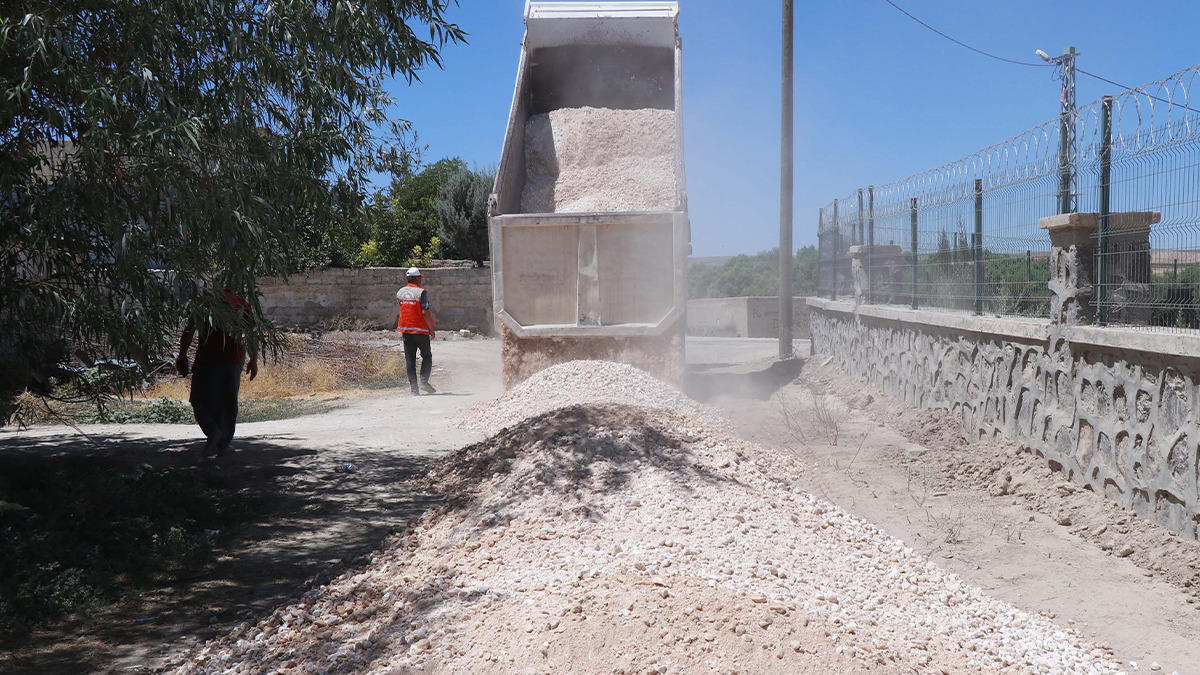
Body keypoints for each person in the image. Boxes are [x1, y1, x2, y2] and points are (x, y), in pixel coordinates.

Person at [176, 287, 258, 458]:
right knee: (228, 404)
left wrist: (182, 353)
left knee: (200, 400)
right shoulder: (240, 304)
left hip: (206, 361)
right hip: (232, 361)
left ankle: (213, 432)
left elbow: (189, 329)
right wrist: (254, 360)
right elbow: (252, 334)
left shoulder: (205, 303)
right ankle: (223, 445)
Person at [396, 267, 436, 395]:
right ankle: (423, 381)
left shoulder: (400, 292)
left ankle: (414, 390)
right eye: (420, 277)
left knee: (410, 360)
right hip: (420, 330)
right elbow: (425, 311)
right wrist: (431, 329)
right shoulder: (421, 292)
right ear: (417, 278)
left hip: (406, 329)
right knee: (427, 356)